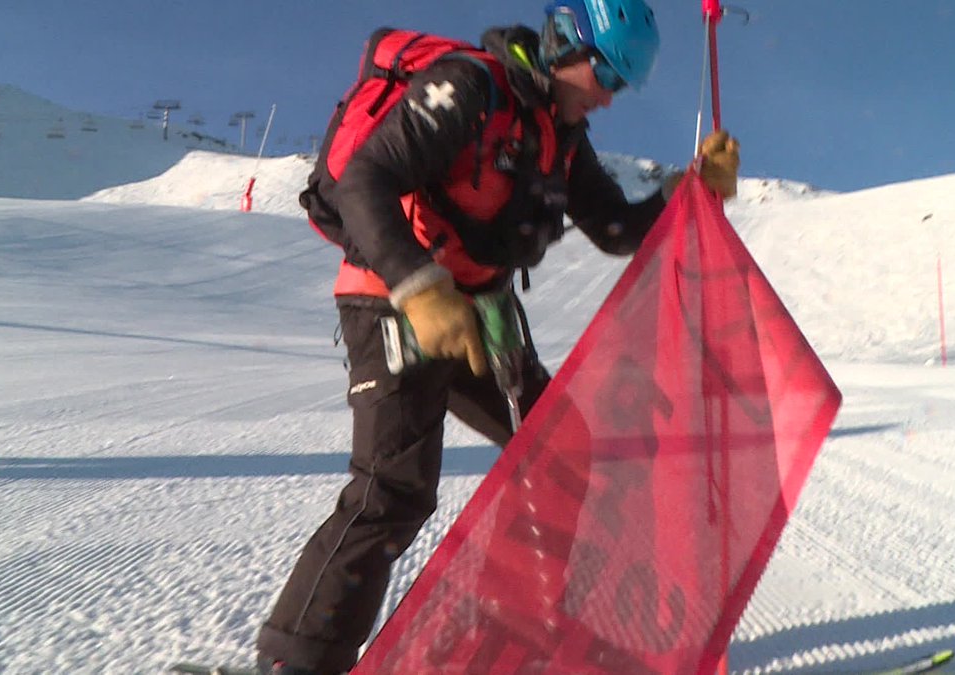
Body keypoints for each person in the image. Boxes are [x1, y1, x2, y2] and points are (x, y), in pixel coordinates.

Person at [256, 1, 740, 673]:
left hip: (477, 318)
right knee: (392, 488)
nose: (610, 97)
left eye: (623, 84)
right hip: (393, 300)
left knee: (563, 446)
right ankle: (297, 661)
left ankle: (530, 627)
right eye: (610, 76)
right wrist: (419, 287)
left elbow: (616, 230)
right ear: (572, 48)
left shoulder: (559, 136)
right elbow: (367, 178)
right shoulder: (468, 89)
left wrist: (687, 191)